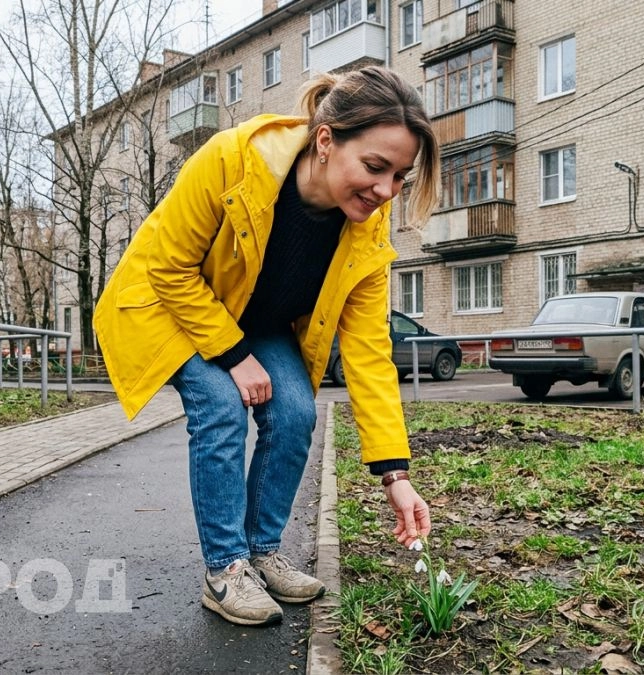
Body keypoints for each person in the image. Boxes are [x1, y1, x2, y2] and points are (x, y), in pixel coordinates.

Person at [93, 66, 438, 627]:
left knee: (299, 411)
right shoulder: (232, 159)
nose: (385, 192)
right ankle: (225, 568)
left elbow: (370, 351)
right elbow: (168, 266)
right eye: (375, 167)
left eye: (400, 176)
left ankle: (261, 551)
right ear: (325, 140)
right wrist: (232, 356)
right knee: (222, 405)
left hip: (258, 315)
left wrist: (396, 476)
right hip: (171, 302)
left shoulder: (368, 225)